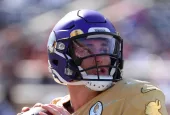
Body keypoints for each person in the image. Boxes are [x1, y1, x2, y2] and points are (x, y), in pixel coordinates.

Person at [17, 9, 168, 115]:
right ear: (62, 54)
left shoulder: (138, 96)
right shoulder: (54, 107)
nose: (101, 56)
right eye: (87, 48)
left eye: (104, 47)